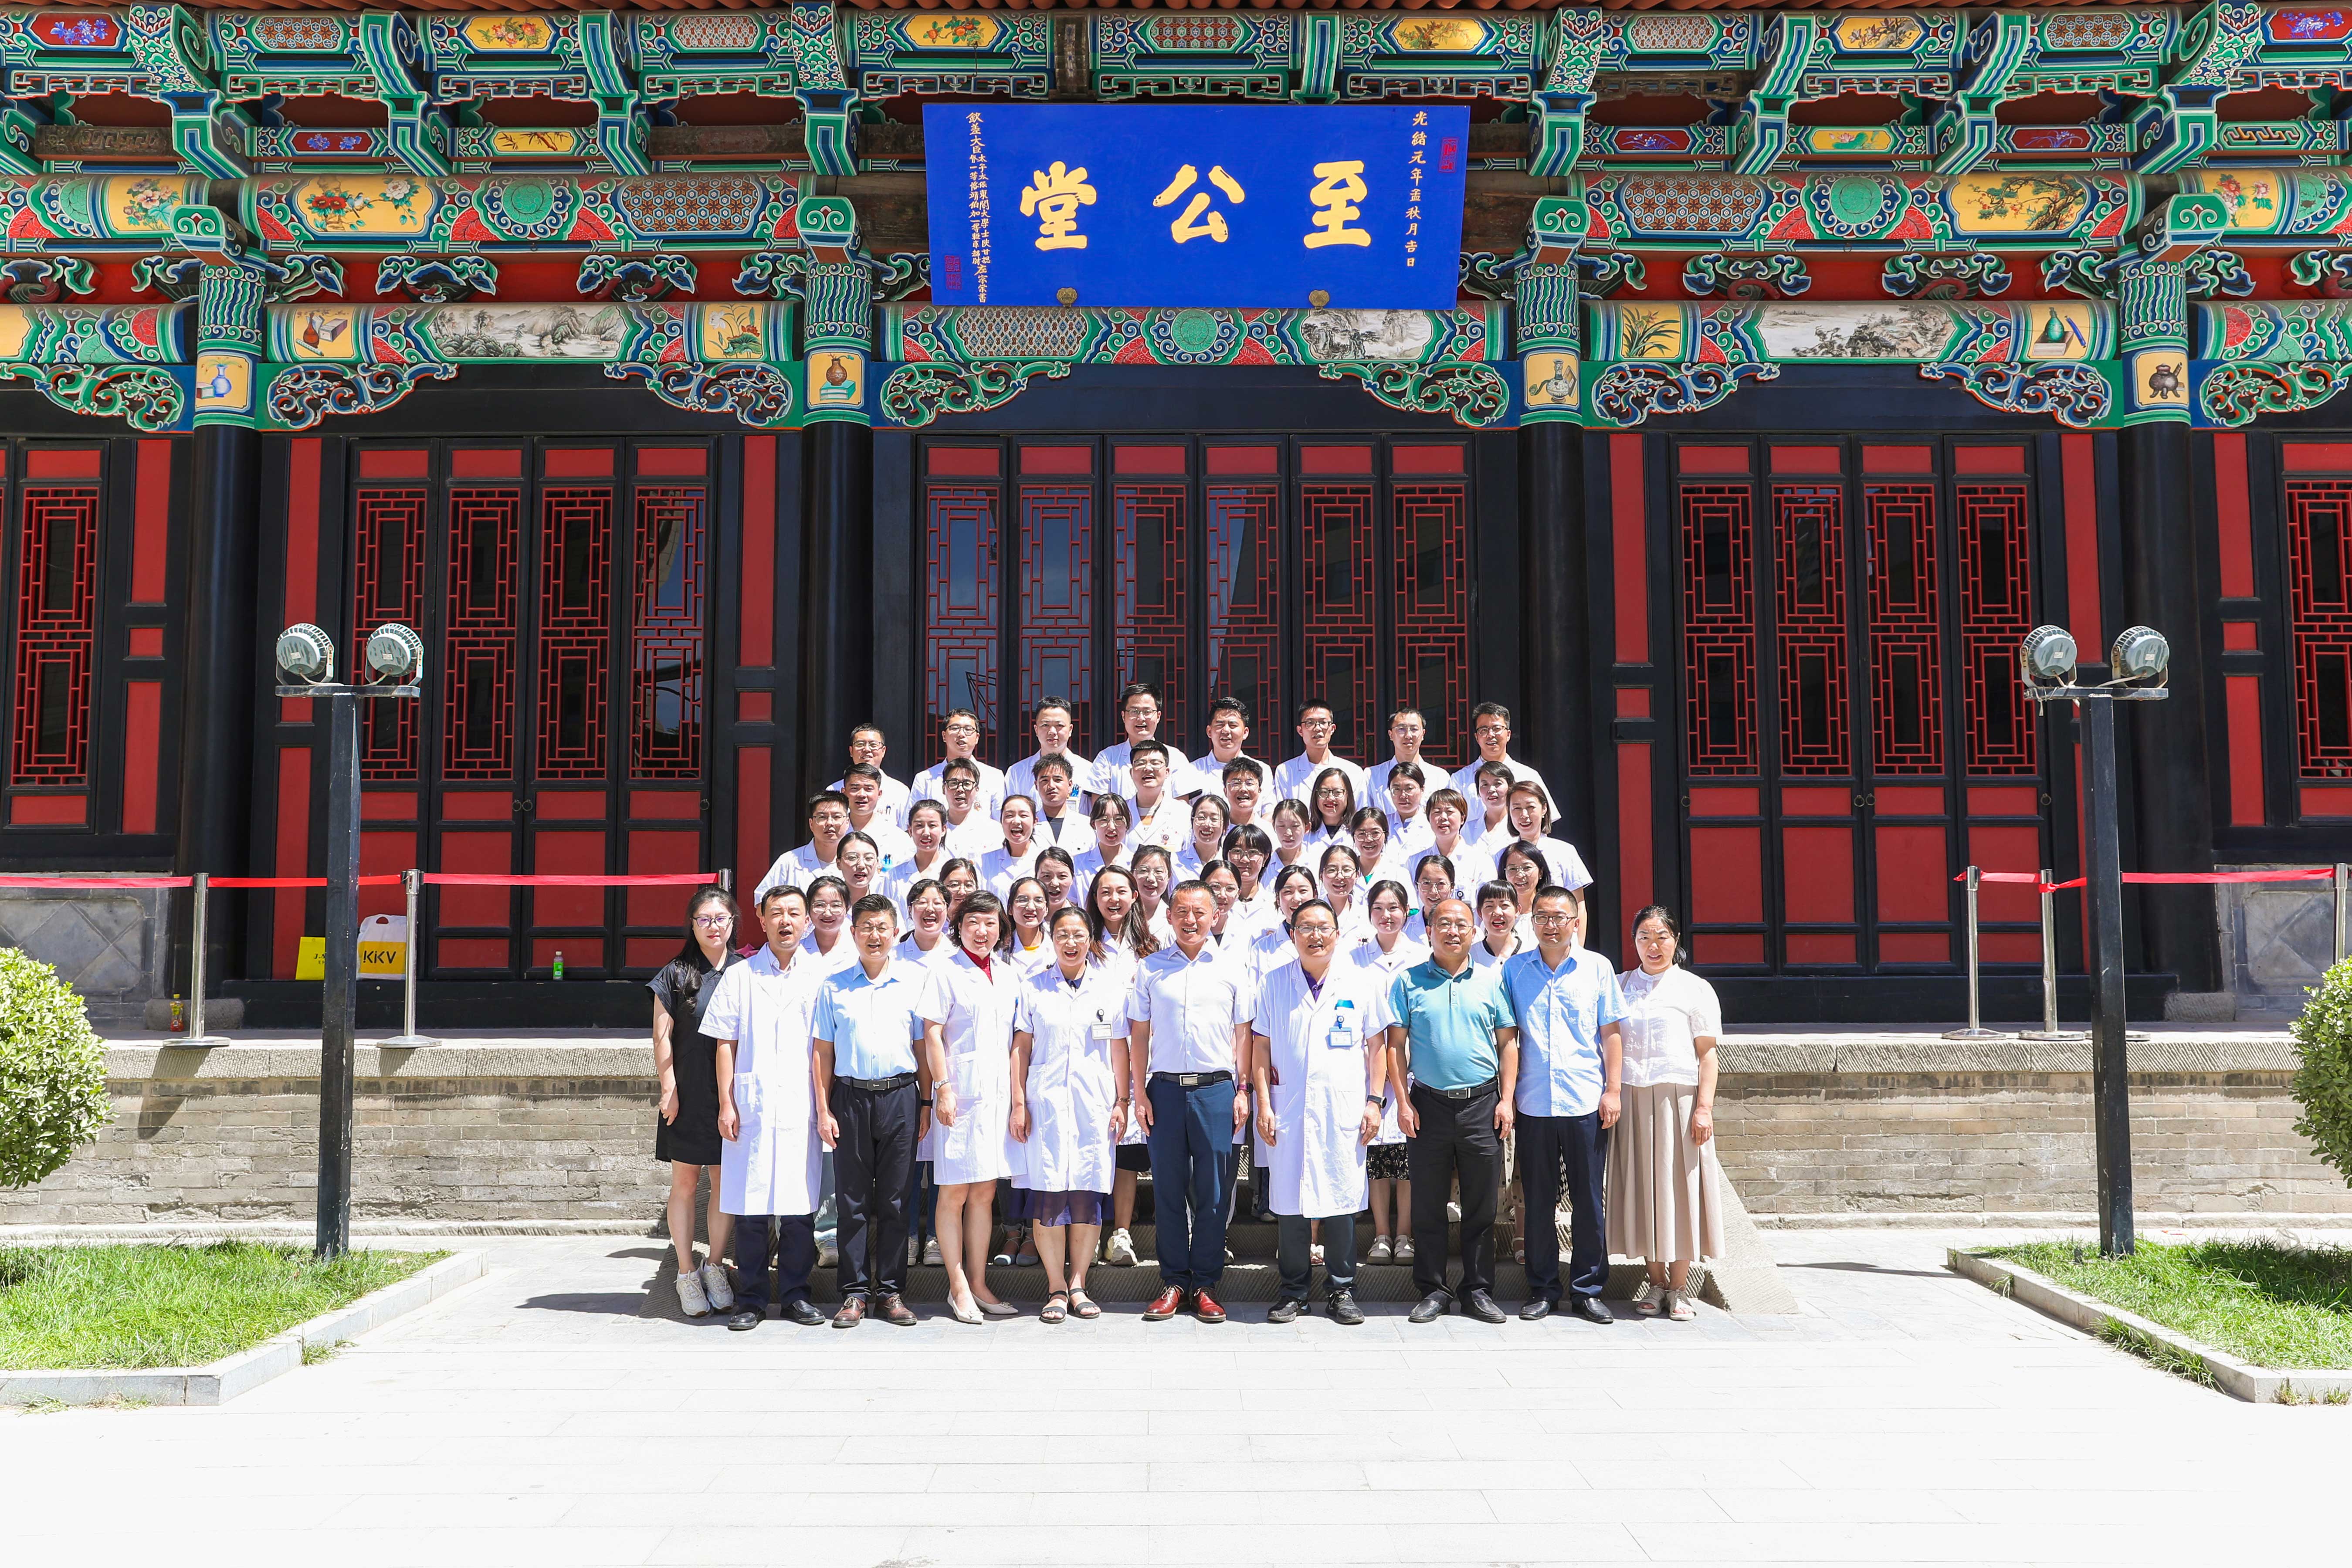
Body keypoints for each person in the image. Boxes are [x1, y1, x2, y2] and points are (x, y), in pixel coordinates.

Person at [1251, 898, 1392, 1326]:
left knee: (1341, 1199)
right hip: (1288, 1107)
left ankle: (1341, 1289)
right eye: (1306, 927)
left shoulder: (1360, 980)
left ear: (1337, 933)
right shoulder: (1274, 982)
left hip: (1342, 1108)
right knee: (1290, 1202)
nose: (1315, 935)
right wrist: (1263, 1103)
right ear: (1293, 934)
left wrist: (1374, 1101)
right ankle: (1293, 1291)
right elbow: (1260, 1046)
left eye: (1323, 927)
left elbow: (1378, 1045)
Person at [1386, 896, 1518, 1325]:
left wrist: (1506, 1099)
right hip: (1428, 1104)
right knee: (1428, 1204)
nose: (1453, 931)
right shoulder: (1408, 981)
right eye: (1443, 923)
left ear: (1474, 931)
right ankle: (1432, 1290)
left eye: (1461, 924)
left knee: (1481, 1205)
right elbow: (1394, 1046)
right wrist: (1403, 1101)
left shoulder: (1492, 981)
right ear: (1428, 931)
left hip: (1482, 1103)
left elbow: (1508, 1043)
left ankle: (1478, 1290)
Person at [705, 885, 830, 1331]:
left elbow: (825, 1047)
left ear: (807, 920)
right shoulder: (740, 976)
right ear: (761, 919)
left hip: (800, 1105)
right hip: (751, 1106)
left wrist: (824, 1105)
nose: (785, 921)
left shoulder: (821, 976)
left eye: (794, 913)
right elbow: (725, 1043)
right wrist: (726, 1102)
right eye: (776, 913)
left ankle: (796, 1295)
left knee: (799, 1209)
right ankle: (752, 1299)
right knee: (752, 1209)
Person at [1128, 881, 1254, 1324]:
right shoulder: (1150, 968)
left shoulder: (1233, 967)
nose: (1191, 920)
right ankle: (1174, 1281)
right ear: (1169, 916)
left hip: (1216, 1090)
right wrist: (1138, 1092)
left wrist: (1242, 1089)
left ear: (1215, 916)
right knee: (1167, 1187)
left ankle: (1205, 1283)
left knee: (1214, 1191)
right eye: (1182, 911)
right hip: (1163, 1090)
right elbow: (1138, 1034)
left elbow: (1244, 1034)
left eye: (1200, 912)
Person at [1504, 885, 1626, 1324]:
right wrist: (1507, 1097)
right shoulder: (1515, 970)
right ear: (1531, 921)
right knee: (1538, 1200)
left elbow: (1611, 1033)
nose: (1550, 924)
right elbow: (1508, 1038)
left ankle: (1587, 1289)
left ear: (1575, 922)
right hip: (1534, 1101)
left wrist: (1613, 1090)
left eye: (1559, 916)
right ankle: (1543, 1288)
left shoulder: (1597, 967)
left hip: (1584, 1100)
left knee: (1588, 1199)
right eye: (1542, 916)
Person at [810, 894, 930, 1328]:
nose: (875, 935)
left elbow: (922, 1047)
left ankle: (891, 1291)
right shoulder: (834, 986)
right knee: (852, 1201)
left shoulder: (914, 981)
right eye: (866, 927)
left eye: (882, 927)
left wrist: (926, 1101)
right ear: (854, 932)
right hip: (850, 1098)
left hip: (901, 1096)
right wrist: (823, 1109)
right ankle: (854, 1292)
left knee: (897, 1200)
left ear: (895, 931)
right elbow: (822, 1052)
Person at [1009, 903, 1129, 1323]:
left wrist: (1123, 1100)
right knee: (1048, 1193)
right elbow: (1021, 1047)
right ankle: (1055, 1287)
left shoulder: (1109, 988)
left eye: (1079, 934)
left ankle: (1078, 1283)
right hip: (1044, 1104)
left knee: (1086, 1192)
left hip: (1094, 1104)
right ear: (1052, 939)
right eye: (1062, 934)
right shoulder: (1034, 987)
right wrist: (1019, 1102)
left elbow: (1119, 1048)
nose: (1071, 942)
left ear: (1090, 939)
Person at [1611, 905, 1724, 1323]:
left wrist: (1704, 1108)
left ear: (1676, 940)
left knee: (1679, 1191)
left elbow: (1707, 1054)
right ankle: (1655, 1282)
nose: (1653, 945)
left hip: (1680, 1099)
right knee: (1643, 1189)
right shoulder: (1620, 985)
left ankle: (1679, 1288)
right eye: (1644, 936)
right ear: (1634, 941)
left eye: (1661, 936)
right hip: (1632, 1096)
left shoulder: (1695, 988)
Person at [918, 891, 1021, 1324]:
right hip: (959, 1095)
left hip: (997, 1096)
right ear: (958, 927)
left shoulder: (1009, 974)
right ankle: (957, 1284)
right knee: (954, 1190)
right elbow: (932, 1032)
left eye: (991, 922)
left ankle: (979, 1281)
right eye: (973, 922)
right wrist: (942, 1088)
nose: (982, 930)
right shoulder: (945, 971)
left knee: (984, 1191)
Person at [653, 885, 742, 1319]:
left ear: (733, 922)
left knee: (725, 1181)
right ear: (692, 925)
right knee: (686, 1183)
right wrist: (668, 1086)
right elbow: (661, 1034)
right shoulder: (675, 973)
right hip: (687, 1091)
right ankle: (686, 1270)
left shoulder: (745, 971)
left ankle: (715, 1264)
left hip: (732, 1094)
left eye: (720, 918)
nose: (713, 926)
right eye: (704, 919)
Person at [1354, 880, 1427, 1264]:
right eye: (1379, 908)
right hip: (1365, 1072)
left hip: (1411, 1070)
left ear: (1407, 912)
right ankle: (1381, 1234)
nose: (1387, 915)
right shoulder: (1353, 958)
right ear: (1369, 913)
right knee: (1377, 1155)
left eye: (1394, 907)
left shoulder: (1421, 956)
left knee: (1407, 1156)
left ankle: (1405, 1235)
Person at [1088, 863, 1154, 1266]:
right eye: (1105, 892)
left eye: (1121, 891)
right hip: (1090, 1058)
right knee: (1095, 1144)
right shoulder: (1084, 942)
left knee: (1128, 1149)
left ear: (1134, 896)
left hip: (1138, 1056)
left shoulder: (1151, 948)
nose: (1113, 899)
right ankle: (1089, 1230)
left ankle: (1121, 1233)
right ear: (1094, 898)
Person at [1088, 682, 1192, 803]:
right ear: (1123, 716)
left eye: (1147, 712)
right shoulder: (1107, 758)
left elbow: (1182, 808)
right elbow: (1099, 808)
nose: (1141, 718)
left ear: (1158, 716)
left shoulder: (1177, 758)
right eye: (1134, 711)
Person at [1451, 703, 1557, 820]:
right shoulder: (1460, 779)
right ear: (1477, 737)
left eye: (1497, 729)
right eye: (1484, 730)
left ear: (1509, 735)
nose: (1491, 735)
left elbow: (1546, 821)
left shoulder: (1529, 775)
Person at [913, 708, 1008, 821]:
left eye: (968, 729)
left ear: (977, 738)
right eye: (955, 728)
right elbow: (913, 822)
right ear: (944, 736)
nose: (961, 734)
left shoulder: (994, 777)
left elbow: (1001, 822)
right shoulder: (924, 779)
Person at [1501, 780, 1593, 894]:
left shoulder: (1565, 851)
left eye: (1530, 807)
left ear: (1544, 809)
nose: (1524, 815)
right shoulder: (1502, 853)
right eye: (1517, 808)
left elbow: (1578, 903)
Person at [755, 792, 851, 899]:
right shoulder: (788, 862)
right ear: (811, 824)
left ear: (847, 822)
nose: (830, 823)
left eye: (837, 817)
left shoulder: (859, 863)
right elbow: (762, 901)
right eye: (822, 817)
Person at [1274, 700, 1368, 805]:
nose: (1318, 728)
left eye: (1323, 723)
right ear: (1300, 731)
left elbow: (1359, 812)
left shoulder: (1353, 772)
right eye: (1310, 723)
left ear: (1332, 729)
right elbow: (1282, 812)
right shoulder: (1286, 771)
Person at [1005, 698, 1093, 807]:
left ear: (1070, 730)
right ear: (1036, 730)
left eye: (1059, 726)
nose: (1052, 732)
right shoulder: (1017, 772)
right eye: (1045, 725)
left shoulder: (1088, 771)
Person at [829, 723, 912, 830]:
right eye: (860, 744)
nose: (867, 749)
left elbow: (906, 831)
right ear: (851, 751)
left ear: (883, 751)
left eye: (873, 745)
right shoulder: (834, 790)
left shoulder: (900, 791)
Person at [1188, 694, 1271, 797]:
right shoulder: (1192, 770)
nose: (1226, 731)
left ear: (1245, 733)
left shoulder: (1263, 770)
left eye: (1233, 726)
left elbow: (1269, 807)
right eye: (1220, 725)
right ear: (1209, 731)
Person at [882, 799, 953, 917]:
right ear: (910, 830)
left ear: (943, 830)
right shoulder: (894, 876)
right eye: (919, 826)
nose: (926, 833)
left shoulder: (953, 873)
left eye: (932, 826)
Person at [840, 763, 916, 867]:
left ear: (879, 794)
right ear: (844, 793)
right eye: (855, 788)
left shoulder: (897, 837)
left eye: (868, 789)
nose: (862, 794)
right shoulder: (834, 832)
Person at [1362, 708, 1431, 816]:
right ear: (1391, 735)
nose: (1408, 735)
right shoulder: (1372, 775)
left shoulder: (1440, 777)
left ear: (1423, 734)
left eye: (1414, 729)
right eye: (1401, 729)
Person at [1421, 789, 1492, 893]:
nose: (1443, 817)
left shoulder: (1482, 861)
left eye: (1449, 812)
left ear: (1462, 818)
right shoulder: (1415, 861)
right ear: (1429, 819)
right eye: (1437, 812)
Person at [1125, 739, 1189, 850]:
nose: (1148, 768)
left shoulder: (1185, 813)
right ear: (1132, 773)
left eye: (1155, 763)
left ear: (1167, 772)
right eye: (1140, 763)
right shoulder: (1120, 811)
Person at [1070, 794, 1134, 903]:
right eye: (1104, 820)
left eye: (1119, 819)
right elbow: (1072, 902)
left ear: (1127, 824)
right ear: (1094, 824)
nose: (1112, 827)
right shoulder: (1078, 864)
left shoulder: (1135, 864)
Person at [937, 759, 1004, 858]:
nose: (960, 789)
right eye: (954, 783)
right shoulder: (933, 828)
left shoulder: (993, 830)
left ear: (977, 790)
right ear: (944, 788)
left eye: (967, 784)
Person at [979, 794, 1041, 897]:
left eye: (1023, 816)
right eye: (1009, 816)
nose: (1016, 821)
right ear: (1001, 821)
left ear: (1035, 822)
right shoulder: (985, 862)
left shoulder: (1045, 861)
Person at [800, 876, 859, 976]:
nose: (827, 913)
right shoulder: (796, 951)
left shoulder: (858, 951)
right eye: (820, 905)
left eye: (836, 906)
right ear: (808, 908)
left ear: (847, 909)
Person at [1223, 824, 1275, 939]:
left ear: (1265, 858)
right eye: (1237, 851)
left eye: (1253, 852)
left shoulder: (1275, 904)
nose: (1244, 859)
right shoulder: (1217, 902)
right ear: (1227, 855)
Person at [1030, 753, 1090, 851]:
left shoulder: (1086, 825)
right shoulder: (1028, 825)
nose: (1051, 786)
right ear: (1036, 785)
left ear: (1070, 785)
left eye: (1058, 780)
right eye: (1045, 780)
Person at [1317, 842, 1371, 943]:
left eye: (1347, 870)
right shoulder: (1312, 914)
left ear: (1357, 875)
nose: (1340, 876)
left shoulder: (1368, 914)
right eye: (1332, 870)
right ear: (1321, 876)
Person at [1384, 762, 1437, 861]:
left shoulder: (1433, 824)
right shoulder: (1381, 824)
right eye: (1396, 789)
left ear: (1422, 789)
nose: (1403, 796)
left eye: (1409, 789)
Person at [1497, 842, 1549, 943]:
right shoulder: (1497, 916)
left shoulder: (1552, 913)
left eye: (1527, 868)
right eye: (1513, 869)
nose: (1520, 875)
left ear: (1541, 872)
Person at [897, 879, 956, 966]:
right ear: (910, 910)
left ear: (947, 910)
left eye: (937, 903)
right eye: (922, 903)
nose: (930, 909)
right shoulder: (893, 956)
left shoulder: (957, 955)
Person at [1001, 876, 1053, 975]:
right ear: (1010, 909)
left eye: (1039, 901)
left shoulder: (1057, 946)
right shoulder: (998, 950)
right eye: (1023, 900)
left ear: (1046, 909)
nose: (1031, 907)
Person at [1472, 880, 1528, 969]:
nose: (1498, 913)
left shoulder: (1530, 954)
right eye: (1489, 906)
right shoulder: (1471, 956)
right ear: (1480, 913)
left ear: (1517, 910)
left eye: (1505, 905)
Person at [1349, 806, 1408, 889]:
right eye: (1362, 834)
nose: (1369, 839)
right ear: (1354, 837)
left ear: (1386, 834)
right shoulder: (1346, 874)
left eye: (1375, 833)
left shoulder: (1399, 874)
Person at [1177, 792, 1231, 878]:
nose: (1207, 824)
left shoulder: (1230, 864)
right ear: (1193, 821)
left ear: (1225, 826)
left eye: (1214, 819)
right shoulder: (1174, 861)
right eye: (1201, 817)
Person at [1132, 844, 1176, 947]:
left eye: (1159, 872)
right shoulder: (1121, 913)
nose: (1151, 879)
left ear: (1169, 877)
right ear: (1132, 874)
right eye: (1144, 871)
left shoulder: (1175, 919)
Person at [1406, 853, 1456, 945]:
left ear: (1452, 886)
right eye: (1426, 883)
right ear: (1417, 885)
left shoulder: (1466, 927)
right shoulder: (1404, 927)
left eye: (1441, 884)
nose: (1433, 891)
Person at [836, 831, 886, 914]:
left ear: (877, 862)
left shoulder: (887, 906)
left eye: (869, 858)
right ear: (839, 863)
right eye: (852, 858)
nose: (861, 865)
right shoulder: (827, 907)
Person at [1306, 768, 1356, 847]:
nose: (1330, 798)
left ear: (1348, 795)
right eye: (1324, 792)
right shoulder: (1304, 833)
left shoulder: (1358, 833)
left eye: (1338, 792)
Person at [1268, 797, 1315, 874]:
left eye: (1295, 826)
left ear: (1307, 827)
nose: (1288, 833)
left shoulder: (1316, 864)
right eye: (1281, 826)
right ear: (1274, 826)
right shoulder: (1265, 865)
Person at [1222, 759, 1266, 832]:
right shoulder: (1216, 832)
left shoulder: (1270, 832)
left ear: (1259, 791)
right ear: (1225, 791)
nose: (1243, 789)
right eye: (1236, 783)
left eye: (1250, 784)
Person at [1035, 845, 1078, 915]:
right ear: (1036, 879)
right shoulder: (1025, 918)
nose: (1055, 883)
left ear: (1072, 879)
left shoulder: (1079, 918)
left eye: (1062, 876)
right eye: (1046, 876)